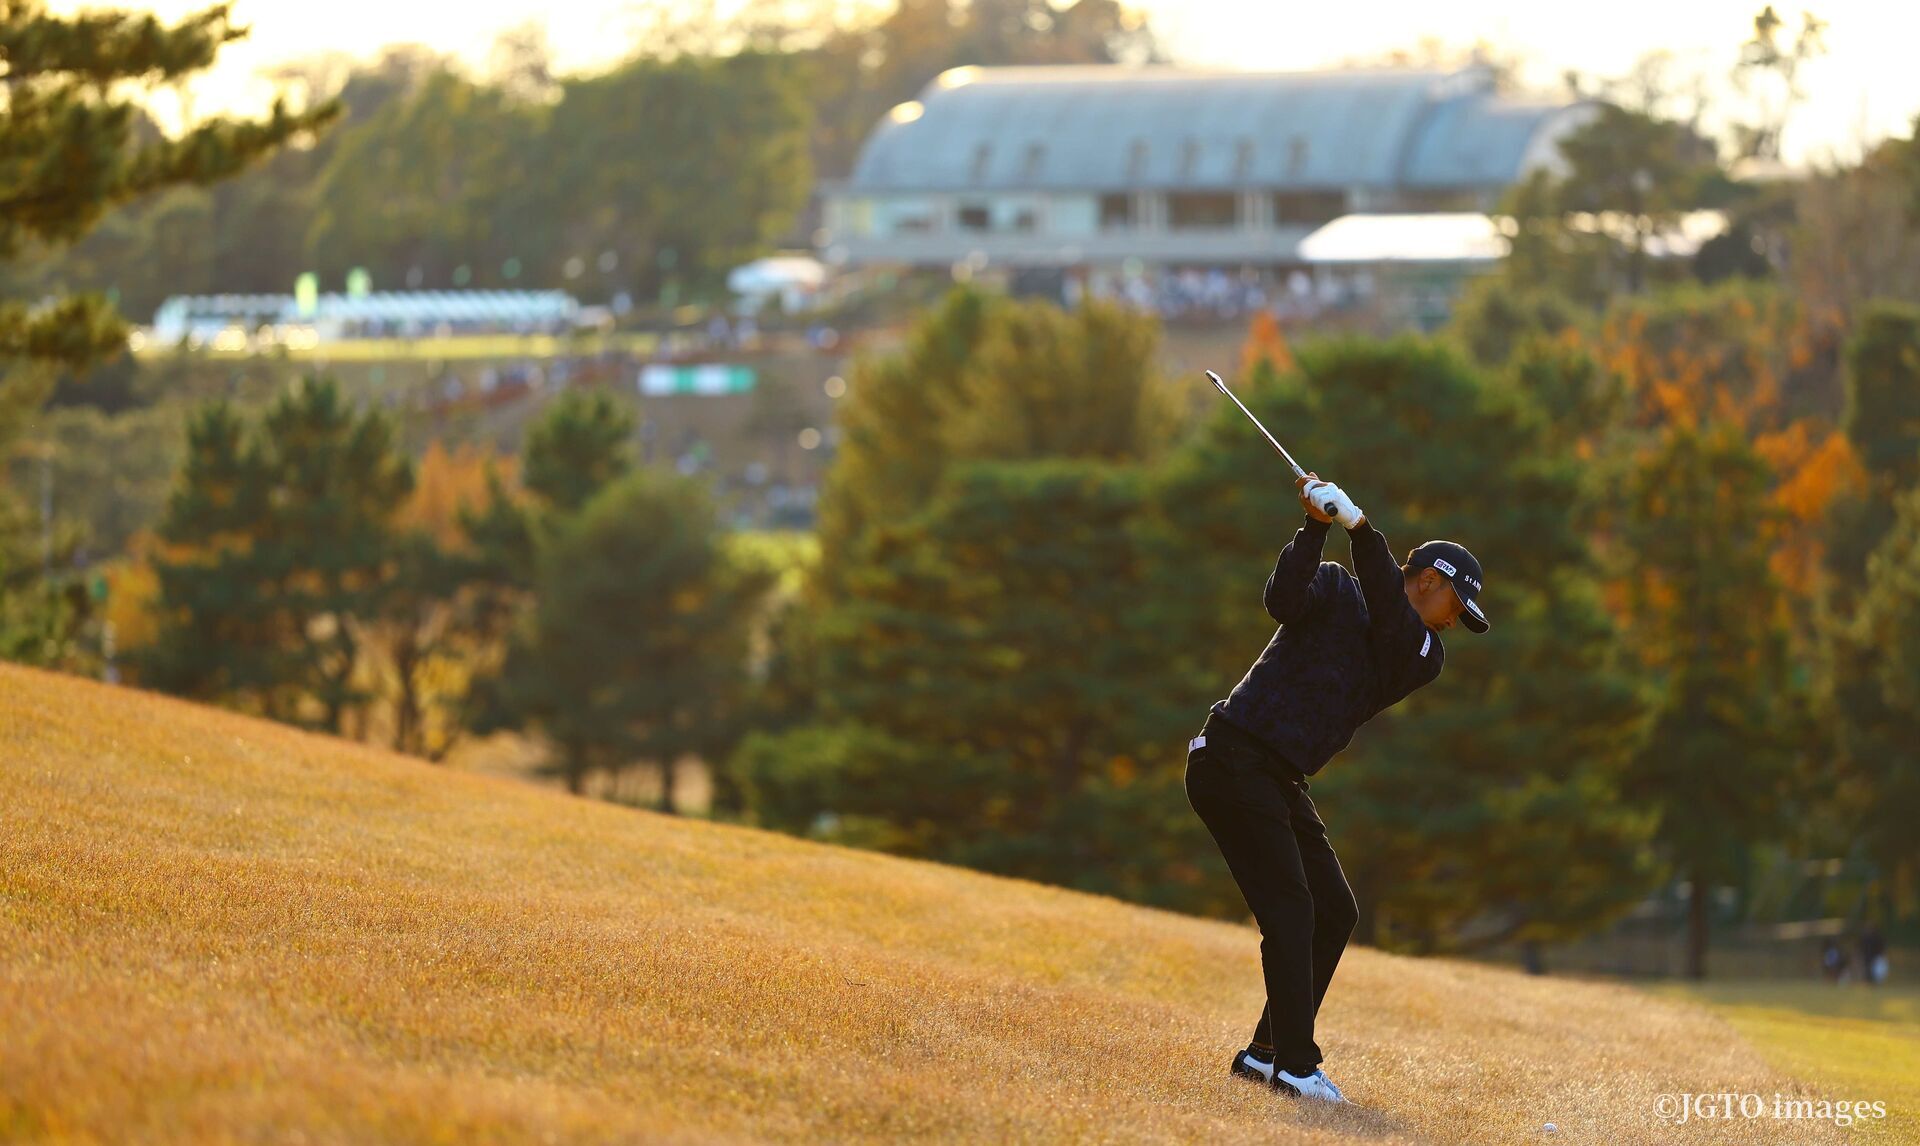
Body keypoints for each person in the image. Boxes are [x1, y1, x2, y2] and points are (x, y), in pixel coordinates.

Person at [1183, 471, 1488, 1104]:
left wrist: (1361, 530)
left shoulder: (1421, 651)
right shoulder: (1338, 585)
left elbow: (1390, 621)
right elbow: (1282, 601)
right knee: (1294, 911)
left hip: (1277, 775)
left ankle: (1265, 1054)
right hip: (1233, 756)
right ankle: (1295, 1066)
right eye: (1455, 609)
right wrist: (1315, 528)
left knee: (1335, 911)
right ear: (1429, 582)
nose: (1453, 625)